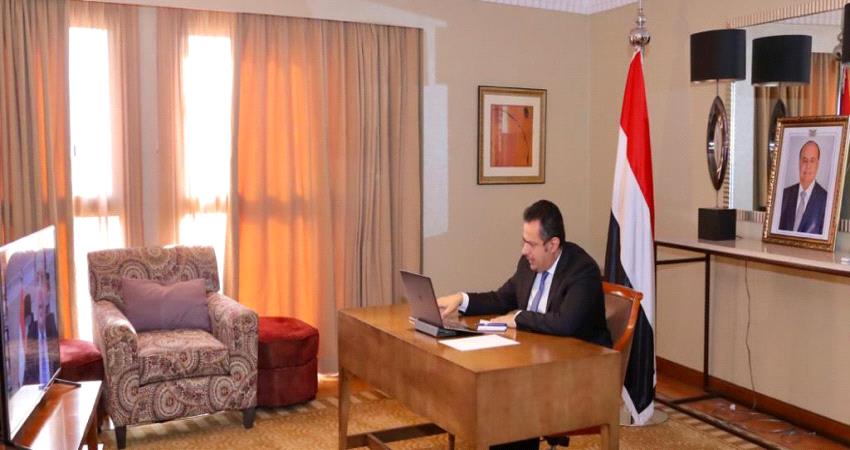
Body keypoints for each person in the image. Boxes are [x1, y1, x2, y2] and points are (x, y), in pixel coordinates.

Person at [436, 200, 612, 450]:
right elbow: (501, 299)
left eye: (531, 244)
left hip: (577, 374)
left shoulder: (582, 270)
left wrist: (518, 317)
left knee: (511, 398)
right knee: (493, 389)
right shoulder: (528, 265)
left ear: (553, 245)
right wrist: (461, 299)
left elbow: (566, 323)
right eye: (523, 241)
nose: (524, 250)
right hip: (535, 362)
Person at [778, 140, 828, 234]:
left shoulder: (826, 200)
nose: (808, 165)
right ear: (799, 162)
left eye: (812, 161)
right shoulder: (784, 195)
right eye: (805, 160)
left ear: (818, 164)